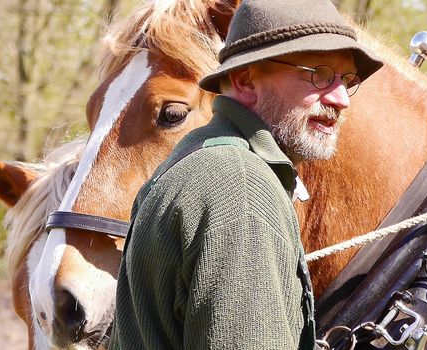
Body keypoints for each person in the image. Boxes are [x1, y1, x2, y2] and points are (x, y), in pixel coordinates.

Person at [110, 0, 383, 349]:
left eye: (347, 80)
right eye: (320, 75)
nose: (341, 99)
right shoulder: (241, 189)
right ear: (245, 80)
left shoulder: (199, 157)